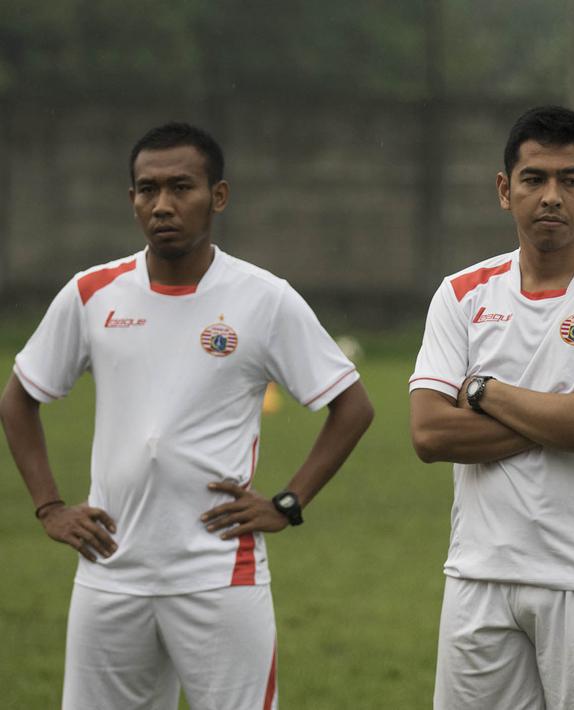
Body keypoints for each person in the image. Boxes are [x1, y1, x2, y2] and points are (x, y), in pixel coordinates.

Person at [0, 122, 375, 710]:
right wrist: (49, 507)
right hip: (110, 568)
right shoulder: (91, 293)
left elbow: (351, 405)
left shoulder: (263, 297)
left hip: (219, 571)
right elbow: (19, 397)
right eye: (147, 190)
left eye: (181, 188)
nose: (163, 205)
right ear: (131, 201)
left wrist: (288, 502)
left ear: (217, 197)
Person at [408, 105, 574, 710]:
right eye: (534, 179)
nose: (551, 196)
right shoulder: (462, 292)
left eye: (569, 180)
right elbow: (428, 433)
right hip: (477, 575)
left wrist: (481, 393)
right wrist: (562, 416)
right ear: (505, 190)